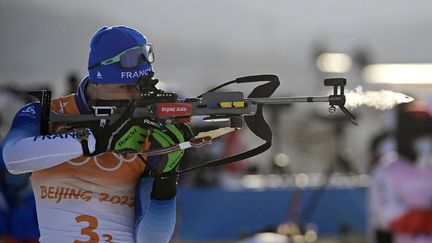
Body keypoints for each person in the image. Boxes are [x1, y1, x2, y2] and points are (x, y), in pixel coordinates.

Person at [1, 26, 191, 243]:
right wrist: (98, 138)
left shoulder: (148, 127)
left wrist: (166, 179)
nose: (134, 97)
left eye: (140, 87)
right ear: (98, 80)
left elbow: (151, 240)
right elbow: (13, 158)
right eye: (125, 87)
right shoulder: (49, 113)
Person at [368, 101, 432, 243]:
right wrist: (424, 219)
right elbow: (388, 217)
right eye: (418, 135)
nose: (426, 140)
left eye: (428, 134)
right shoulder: (387, 170)